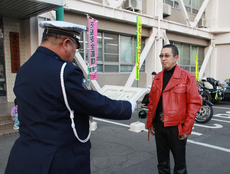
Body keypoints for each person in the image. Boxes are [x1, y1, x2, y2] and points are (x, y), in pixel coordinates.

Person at [5, 21, 136, 174]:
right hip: (59, 158)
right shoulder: (64, 70)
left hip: (25, 156)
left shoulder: (24, 69)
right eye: (76, 47)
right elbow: (92, 103)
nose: (75, 52)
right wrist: (127, 106)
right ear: (66, 43)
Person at [146, 44, 202, 174]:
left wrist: (187, 128)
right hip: (160, 125)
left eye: (167, 55)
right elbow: (152, 102)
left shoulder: (188, 77)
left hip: (176, 127)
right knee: (162, 163)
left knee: (180, 166)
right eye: (161, 56)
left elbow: (194, 104)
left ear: (176, 57)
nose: (163, 59)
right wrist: (150, 123)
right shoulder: (157, 77)